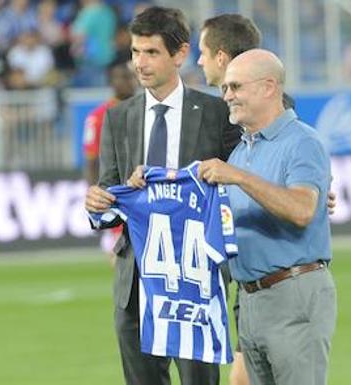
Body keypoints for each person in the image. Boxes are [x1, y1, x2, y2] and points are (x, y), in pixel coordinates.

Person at [84, 6, 239, 385]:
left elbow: (239, 184)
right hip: (135, 280)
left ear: (180, 54)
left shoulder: (218, 113)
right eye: (135, 52)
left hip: (195, 280)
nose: (140, 62)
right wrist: (99, 203)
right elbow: (109, 193)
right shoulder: (118, 119)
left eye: (151, 52)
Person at [197, 14, 336, 385]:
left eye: (236, 87)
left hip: (292, 293)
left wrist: (238, 178)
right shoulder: (242, 150)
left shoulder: (302, 142)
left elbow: (303, 209)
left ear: (269, 87)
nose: (227, 96)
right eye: (226, 87)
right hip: (251, 299)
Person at [83, 58, 138, 257]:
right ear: (111, 82)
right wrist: (96, 193)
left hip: (144, 194)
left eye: (130, 77)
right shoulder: (98, 117)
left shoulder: (147, 110)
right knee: (122, 261)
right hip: (117, 197)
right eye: (121, 77)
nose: (127, 82)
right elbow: (91, 160)